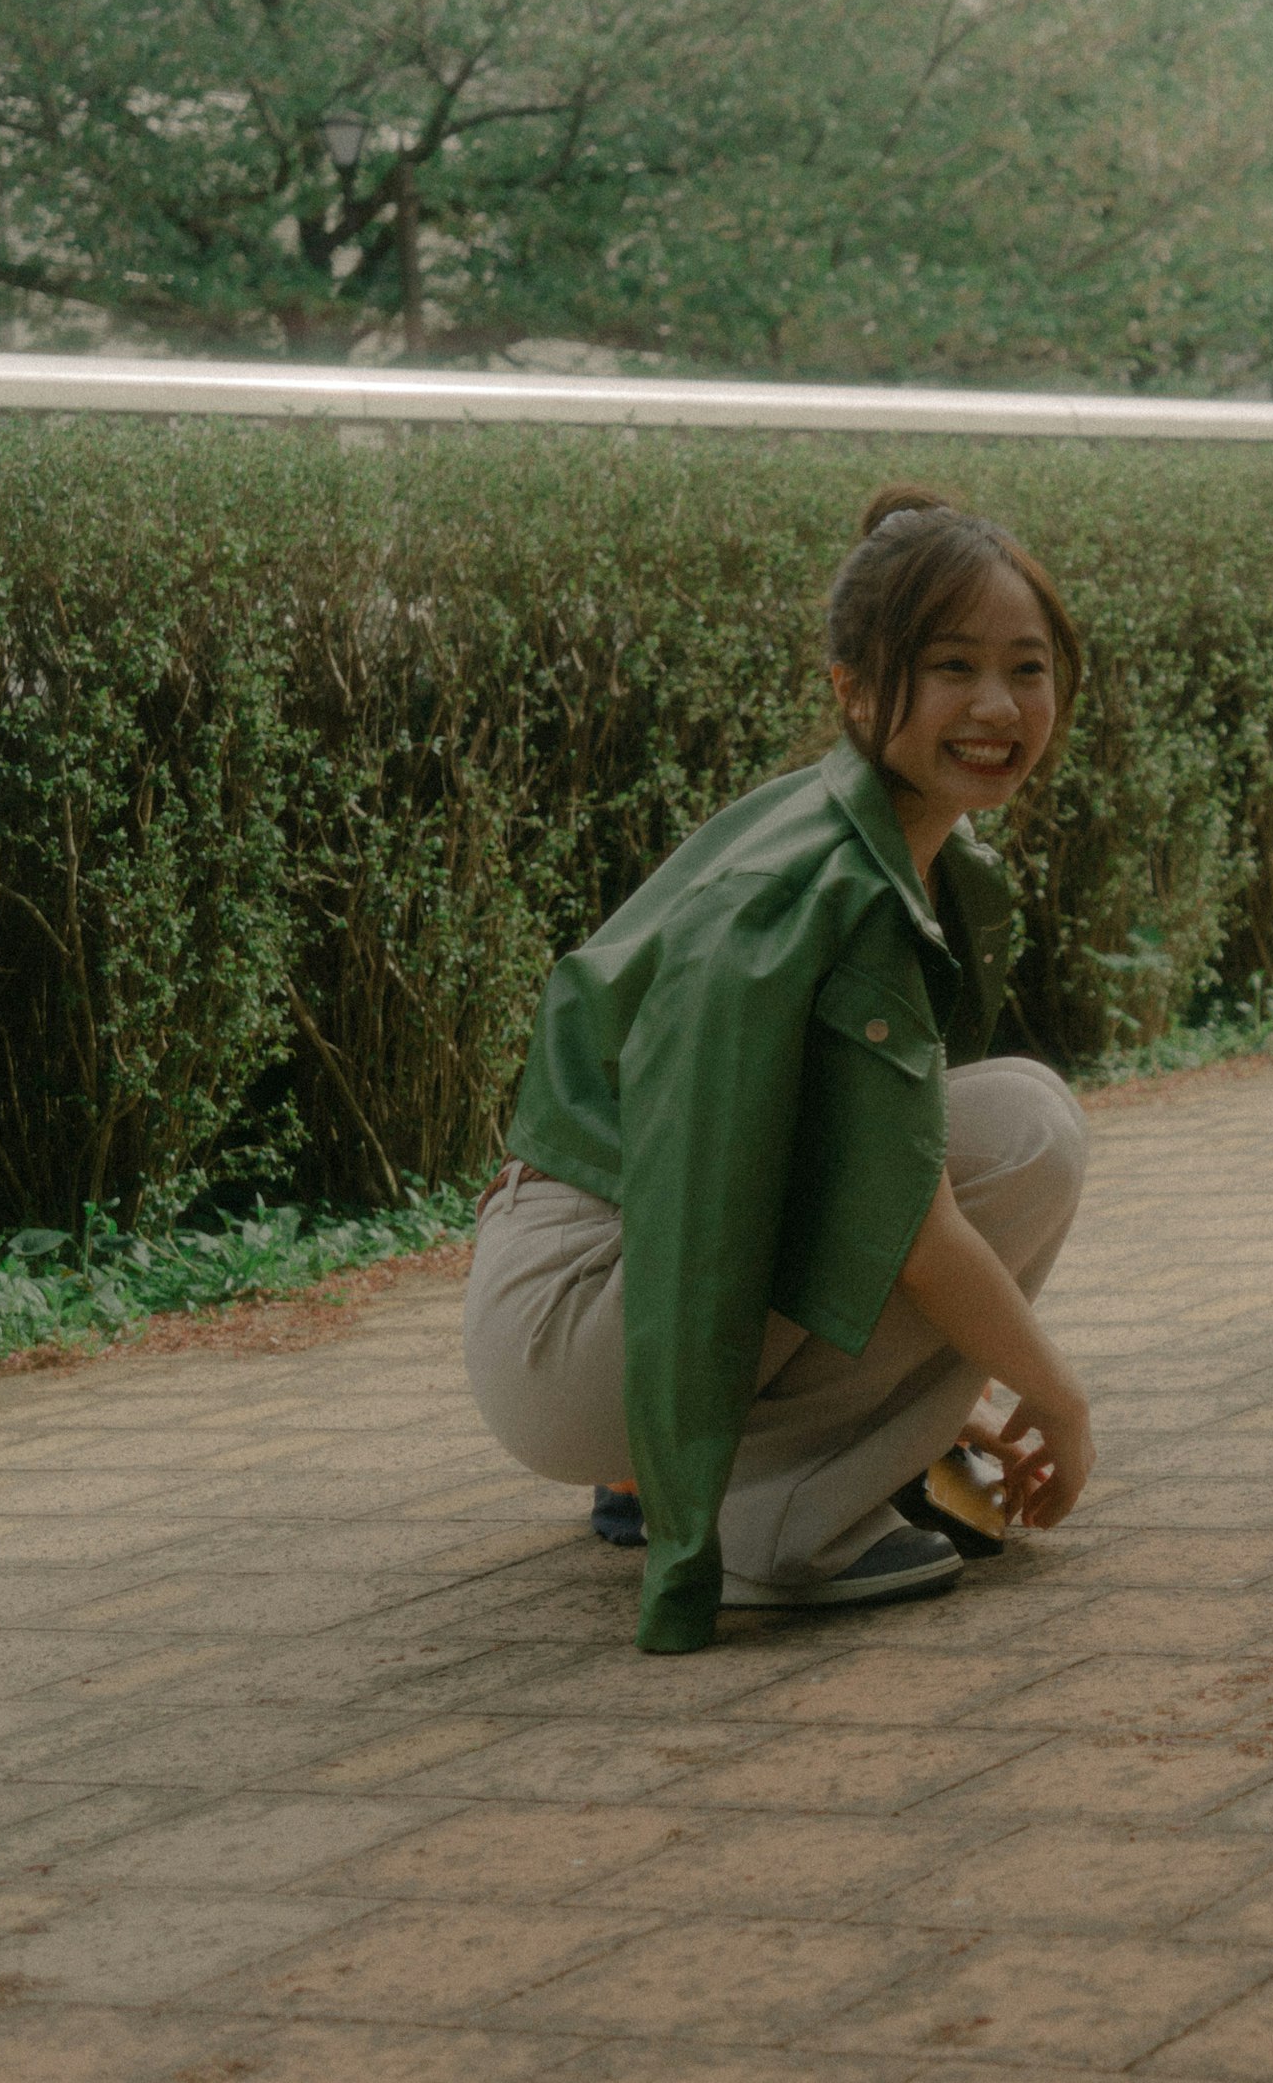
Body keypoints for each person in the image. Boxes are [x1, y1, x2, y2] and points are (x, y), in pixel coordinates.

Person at [463, 484, 1100, 1654]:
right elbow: (913, 1228)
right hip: (577, 1312)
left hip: (583, 1295)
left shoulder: (884, 838)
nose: (999, 706)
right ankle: (778, 1521)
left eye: (1029, 667)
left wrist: (942, 1409)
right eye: (951, 666)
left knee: (1002, 1118)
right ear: (852, 688)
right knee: (1026, 1133)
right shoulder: (834, 889)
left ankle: (742, 1469)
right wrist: (1058, 1400)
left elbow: (834, 1154)